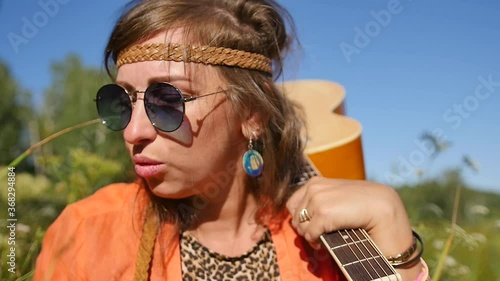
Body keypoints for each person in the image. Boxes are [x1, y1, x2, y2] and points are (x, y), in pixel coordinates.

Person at [34, 0, 430, 280]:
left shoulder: (327, 245)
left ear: (252, 115)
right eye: (120, 101)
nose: (133, 131)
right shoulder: (85, 233)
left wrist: (397, 240)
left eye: (167, 100)